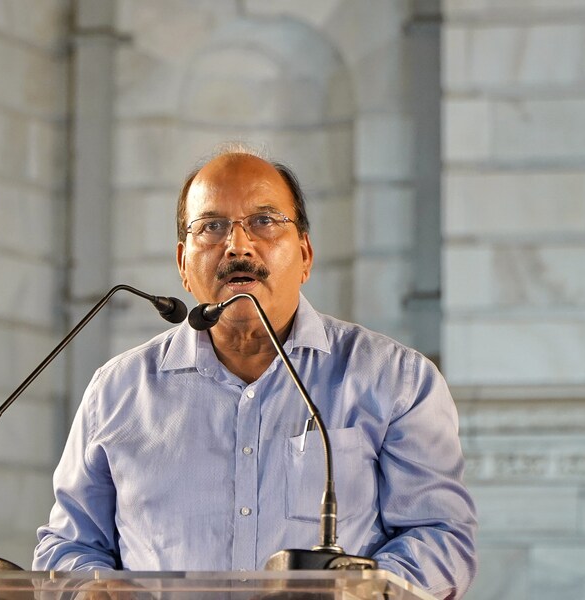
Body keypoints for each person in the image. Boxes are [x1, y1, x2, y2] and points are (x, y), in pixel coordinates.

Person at [33, 146, 478, 599]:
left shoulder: (396, 380)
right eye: (212, 227)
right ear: (184, 265)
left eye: (264, 222)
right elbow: (67, 546)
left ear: (305, 254)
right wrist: (88, 587)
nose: (238, 245)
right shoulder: (116, 391)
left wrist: (363, 592)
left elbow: (441, 535)